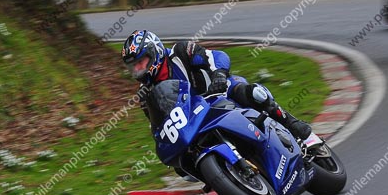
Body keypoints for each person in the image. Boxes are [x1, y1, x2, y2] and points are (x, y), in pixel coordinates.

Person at [121, 30, 312, 140]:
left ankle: (290, 122)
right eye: (134, 66)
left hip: (218, 93)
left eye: (141, 62)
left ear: (154, 52)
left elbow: (217, 56)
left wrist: (219, 75)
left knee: (251, 93)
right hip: (195, 121)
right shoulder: (146, 94)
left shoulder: (180, 52)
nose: (138, 69)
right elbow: (158, 126)